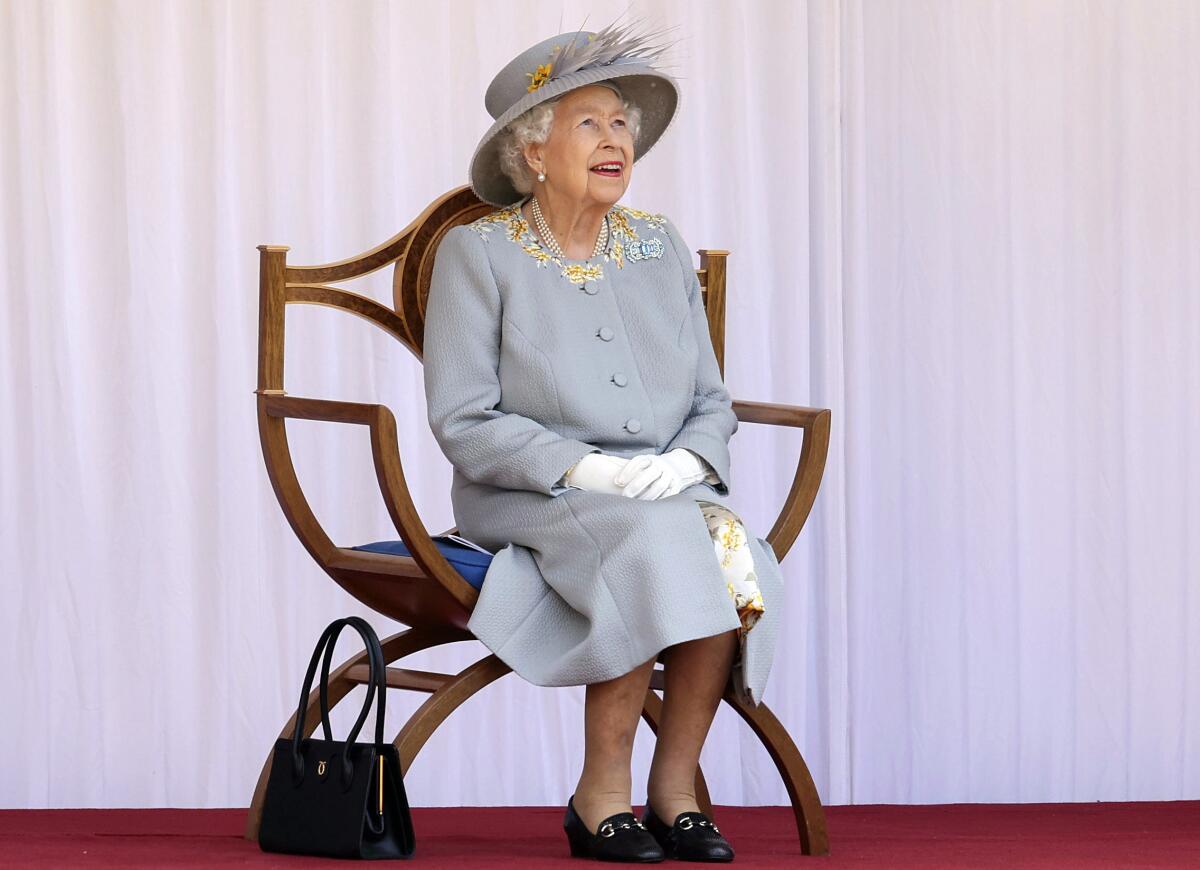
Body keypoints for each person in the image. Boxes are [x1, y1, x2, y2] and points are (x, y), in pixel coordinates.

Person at [423, 18, 785, 864]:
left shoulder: (658, 246)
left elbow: (708, 395)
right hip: (531, 496)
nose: (615, 138)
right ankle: (600, 796)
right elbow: (464, 418)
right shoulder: (476, 256)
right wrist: (585, 468)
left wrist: (688, 462)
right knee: (655, 545)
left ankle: (676, 791)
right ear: (534, 151)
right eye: (589, 122)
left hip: (663, 488)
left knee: (727, 542)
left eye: (621, 122)